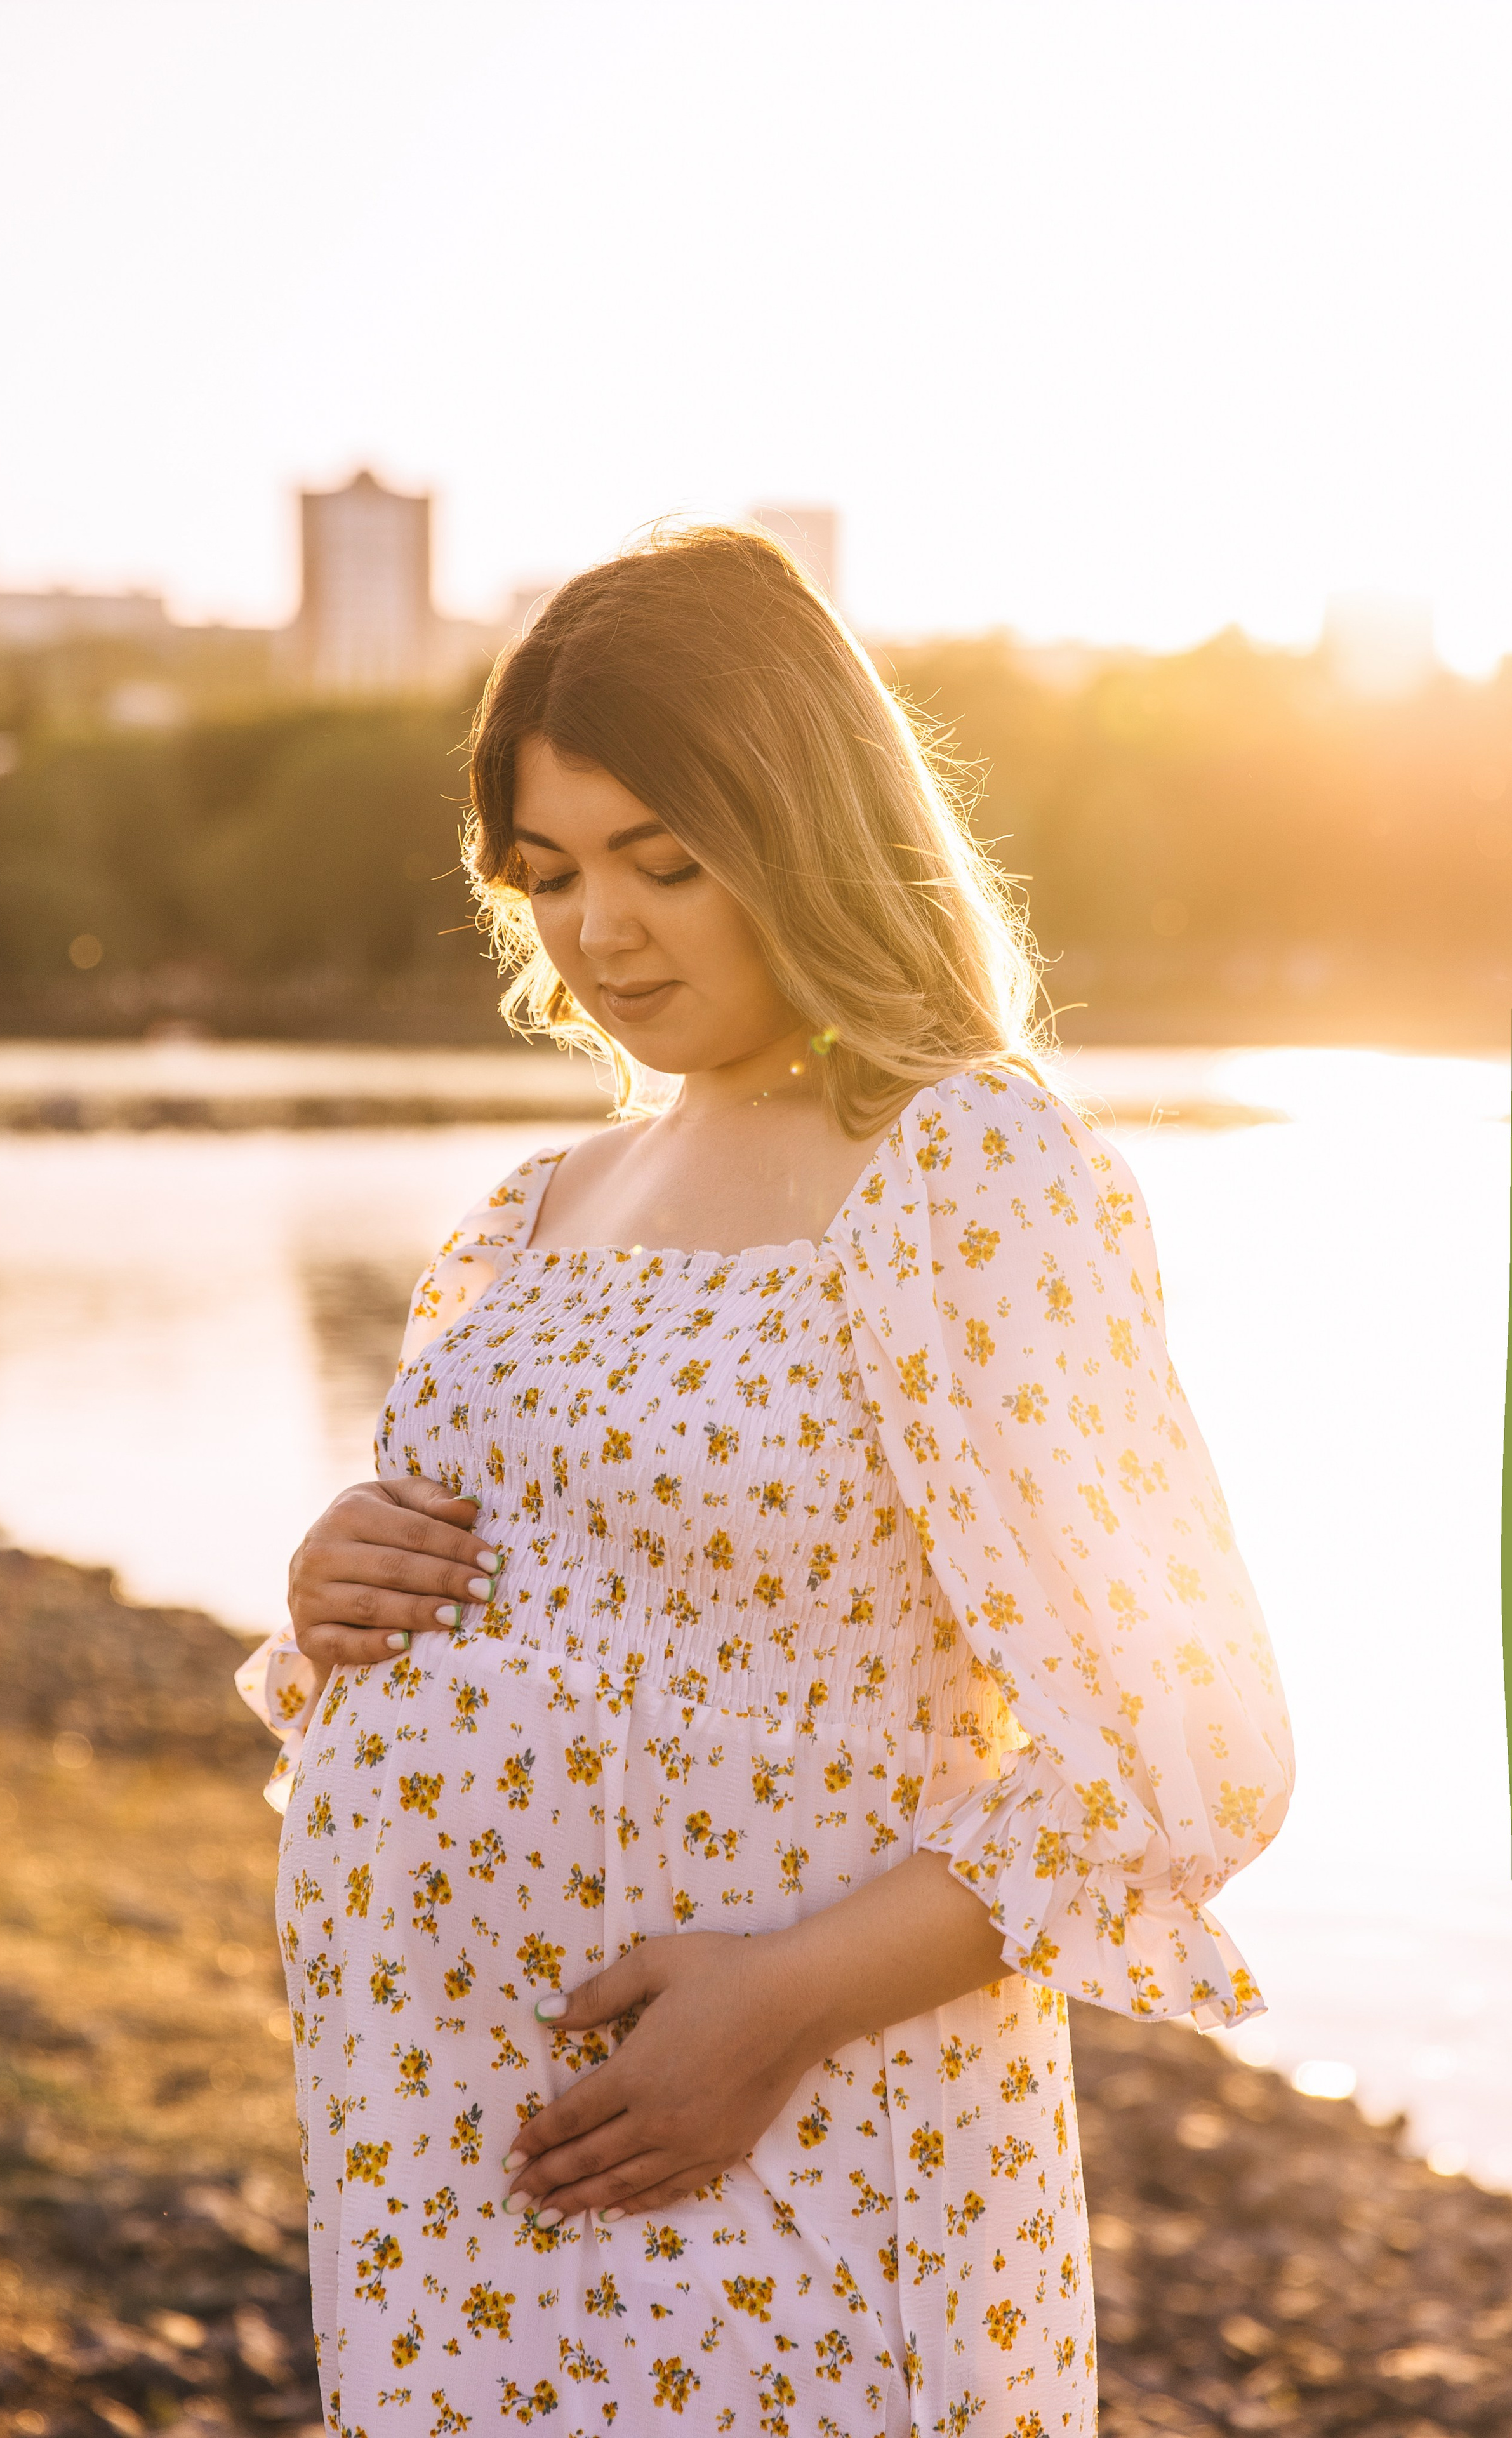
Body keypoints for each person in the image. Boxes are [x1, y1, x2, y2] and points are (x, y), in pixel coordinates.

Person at [236, 525, 1293, 2437]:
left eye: (665, 858)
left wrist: (783, 1997)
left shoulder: (964, 1171)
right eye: (546, 873)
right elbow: (500, 1624)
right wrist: (326, 1594)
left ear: (802, 828)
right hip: (442, 2197)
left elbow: (1189, 1743)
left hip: (789, 2183)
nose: (601, 932)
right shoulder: (528, 1216)